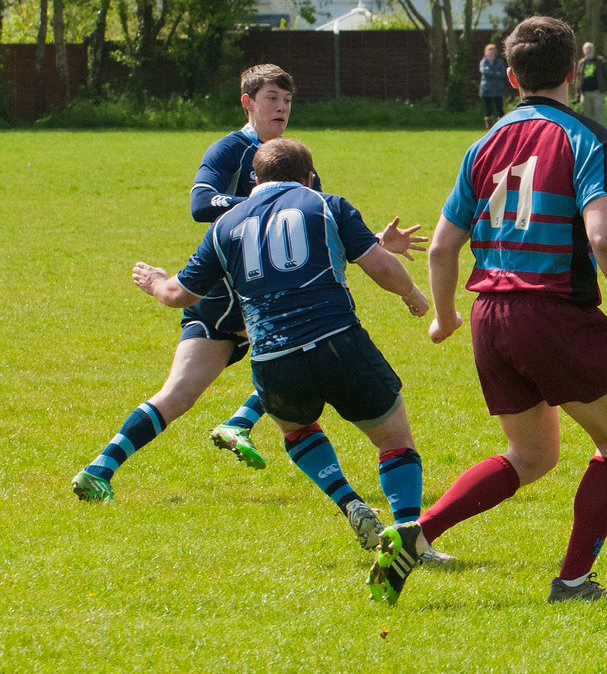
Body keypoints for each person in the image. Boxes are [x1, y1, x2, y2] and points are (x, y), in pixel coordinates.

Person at [367, 16, 607, 606]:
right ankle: (573, 582)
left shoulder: (484, 142)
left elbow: (445, 246)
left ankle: (416, 533)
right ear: (575, 70)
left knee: (532, 454)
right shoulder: (589, 139)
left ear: (510, 74)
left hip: (489, 319)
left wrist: (443, 316)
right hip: (553, 313)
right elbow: (603, 237)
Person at [72, 64, 424, 504]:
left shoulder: (296, 161)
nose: (282, 108)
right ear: (248, 102)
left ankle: (104, 467)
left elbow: (312, 239)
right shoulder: (230, 149)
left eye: (288, 101)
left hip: (248, 294)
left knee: (231, 377)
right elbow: (202, 203)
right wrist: (264, 204)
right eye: (272, 98)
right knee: (287, 349)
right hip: (228, 295)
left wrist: (374, 241)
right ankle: (227, 426)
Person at [129, 137, 439, 554]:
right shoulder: (326, 203)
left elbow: (179, 295)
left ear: (254, 179)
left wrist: (153, 282)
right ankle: (409, 539)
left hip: (273, 359)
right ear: (308, 177)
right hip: (337, 343)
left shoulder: (225, 225)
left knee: (297, 430)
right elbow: (381, 266)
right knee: (393, 439)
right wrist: (413, 295)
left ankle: (349, 502)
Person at [574, 41, 607, 127]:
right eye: (586, 49)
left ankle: (602, 134)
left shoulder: (600, 61)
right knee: (588, 116)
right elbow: (578, 78)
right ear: (584, 51)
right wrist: (578, 94)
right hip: (585, 93)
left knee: (599, 114)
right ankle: (590, 135)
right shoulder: (581, 63)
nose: (588, 51)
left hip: (597, 92)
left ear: (593, 50)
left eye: (590, 49)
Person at [479, 43, 507, 130]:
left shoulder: (499, 62)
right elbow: (485, 72)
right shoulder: (484, 62)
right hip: (487, 89)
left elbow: (503, 73)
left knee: (500, 109)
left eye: (492, 51)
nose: (491, 53)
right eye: (489, 51)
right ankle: (489, 129)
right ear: (486, 52)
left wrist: (492, 73)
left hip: (498, 89)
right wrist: (495, 73)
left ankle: (502, 127)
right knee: (488, 109)